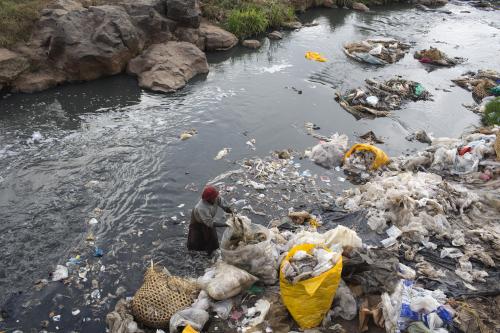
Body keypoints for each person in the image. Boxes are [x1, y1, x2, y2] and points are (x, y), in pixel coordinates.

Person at [187, 185, 233, 255]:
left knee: (213, 243)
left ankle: (211, 254)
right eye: (213, 197)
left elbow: (224, 205)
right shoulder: (201, 207)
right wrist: (226, 224)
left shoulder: (216, 197)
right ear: (208, 199)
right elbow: (210, 223)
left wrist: (231, 212)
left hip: (208, 219)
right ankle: (195, 256)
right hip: (197, 222)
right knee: (195, 244)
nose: (216, 198)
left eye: (216, 196)